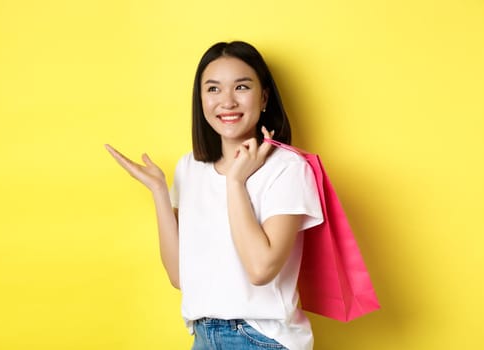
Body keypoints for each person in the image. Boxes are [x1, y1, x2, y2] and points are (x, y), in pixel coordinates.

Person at [105, 41, 323, 350]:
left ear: (263, 98)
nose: (227, 101)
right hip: (203, 336)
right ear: (201, 99)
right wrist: (159, 191)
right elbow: (180, 277)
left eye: (242, 87)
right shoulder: (189, 167)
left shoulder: (287, 169)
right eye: (213, 89)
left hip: (261, 339)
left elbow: (261, 269)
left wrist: (235, 182)